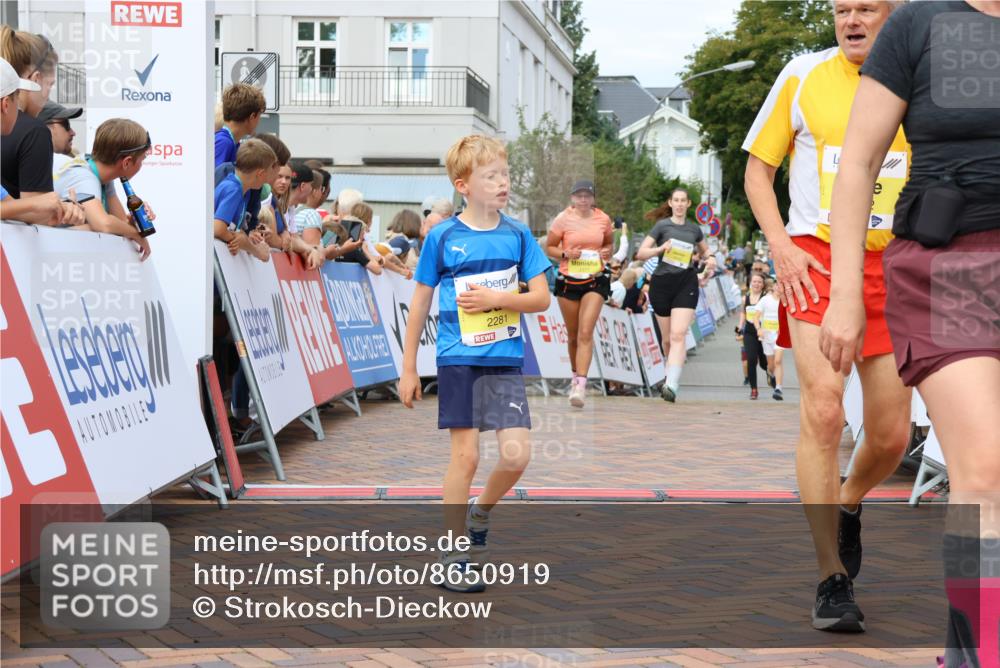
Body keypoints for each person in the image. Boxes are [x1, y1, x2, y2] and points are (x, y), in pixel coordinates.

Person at [818, 1, 1000, 660]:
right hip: (952, 265)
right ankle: (985, 649)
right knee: (984, 471)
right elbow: (858, 167)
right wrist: (844, 296)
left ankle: (965, 641)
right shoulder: (923, 25)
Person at [743, 0, 912, 633]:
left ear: (895, 14)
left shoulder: (921, 79)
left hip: (895, 264)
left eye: (866, 8)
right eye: (843, 9)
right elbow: (758, 171)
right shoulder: (802, 74)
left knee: (892, 435)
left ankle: (847, 500)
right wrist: (781, 246)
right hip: (814, 257)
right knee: (824, 406)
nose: (851, 20)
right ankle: (829, 577)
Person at [398, 134, 551, 592]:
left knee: (517, 454)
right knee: (465, 456)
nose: (502, 183)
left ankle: (480, 512)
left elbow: (541, 298)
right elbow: (420, 303)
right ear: (464, 185)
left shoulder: (518, 234)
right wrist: (409, 368)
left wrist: (500, 298)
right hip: (458, 358)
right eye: (491, 176)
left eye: (505, 174)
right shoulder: (443, 237)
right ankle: (453, 554)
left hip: (504, 361)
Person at [634, 188, 710, 402]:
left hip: (686, 282)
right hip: (662, 283)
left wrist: (710, 258)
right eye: (675, 200)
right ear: (670, 203)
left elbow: (706, 251)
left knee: (678, 335)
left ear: (688, 204)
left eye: (682, 201)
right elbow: (640, 253)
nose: (678, 204)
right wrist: (661, 249)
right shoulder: (661, 226)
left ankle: (672, 384)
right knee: (667, 340)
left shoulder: (694, 229)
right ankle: (670, 374)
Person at [544, 180, 614, 408]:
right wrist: (566, 253)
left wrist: (606, 252)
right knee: (573, 335)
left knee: (586, 332)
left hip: (595, 279)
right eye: (579, 196)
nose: (583, 200)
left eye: (587, 196)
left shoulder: (603, 219)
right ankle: (575, 378)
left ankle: (581, 386)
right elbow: (550, 248)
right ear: (572, 198)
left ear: (593, 198)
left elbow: (609, 245)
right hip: (568, 280)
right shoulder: (562, 219)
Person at [52, 118, 156, 257]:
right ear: (127, 162)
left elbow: (120, 222)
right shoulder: (84, 177)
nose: (141, 165)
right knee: (94, 228)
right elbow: (104, 224)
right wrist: (137, 235)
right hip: (53, 255)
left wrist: (135, 219)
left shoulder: (99, 171)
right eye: (142, 159)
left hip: (62, 253)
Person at [0, 56, 74, 227]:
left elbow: (11, 207)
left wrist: (63, 209)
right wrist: (35, 203)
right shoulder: (34, 131)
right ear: (5, 104)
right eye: (17, 98)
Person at [0, 29, 62, 201]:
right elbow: (38, 214)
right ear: (35, 80)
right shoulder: (34, 132)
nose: (48, 96)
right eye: (50, 85)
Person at [212, 138, 275, 261]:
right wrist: (235, 239)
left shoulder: (240, 190)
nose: (268, 179)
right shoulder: (234, 189)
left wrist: (234, 239)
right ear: (260, 173)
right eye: (269, 172)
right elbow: (218, 228)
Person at [737, 272, 772, 400]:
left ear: (763, 285)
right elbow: (742, 314)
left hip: (763, 333)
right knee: (751, 359)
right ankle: (754, 389)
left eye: (759, 282)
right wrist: (739, 328)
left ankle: (769, 371)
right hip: (749, 333)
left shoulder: (766, 298)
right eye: (754, 281)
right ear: (750, 283)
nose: (756, 284)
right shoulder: (744, 298)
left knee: (763, 362)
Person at [215, 83, 266, 167]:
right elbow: (215, 178)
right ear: (252, 116)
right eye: (259, 115)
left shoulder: (232, 142)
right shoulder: (224, 143)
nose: (259, 121)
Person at [758, 279, 785, 401]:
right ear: (774, 286)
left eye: (782, 286)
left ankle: (778, 388)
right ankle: (770, 374)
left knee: (778, 361)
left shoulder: (786, 302)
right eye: (778, 285)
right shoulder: (765, 300)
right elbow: (756, 316)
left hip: (779, 336)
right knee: (771, 365)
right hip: (767, 336)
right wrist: (759, 328)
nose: (780, 288)